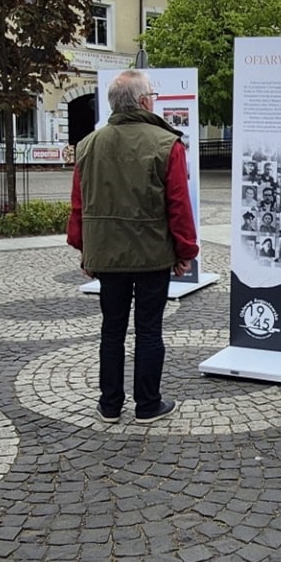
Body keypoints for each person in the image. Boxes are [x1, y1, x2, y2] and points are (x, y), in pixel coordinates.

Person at [68, 69, 198, 423]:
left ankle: (109, 404)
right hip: (152, 253)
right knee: (149, 329)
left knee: (112, 329)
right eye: (153, 95)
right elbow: (178, 204)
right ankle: (147, 404)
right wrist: (186, 251)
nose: (154, 100)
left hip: (107, 254)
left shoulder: (88, 144)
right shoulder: (165, 143)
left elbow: (79, 204)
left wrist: (84, 248)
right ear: (143, 101)